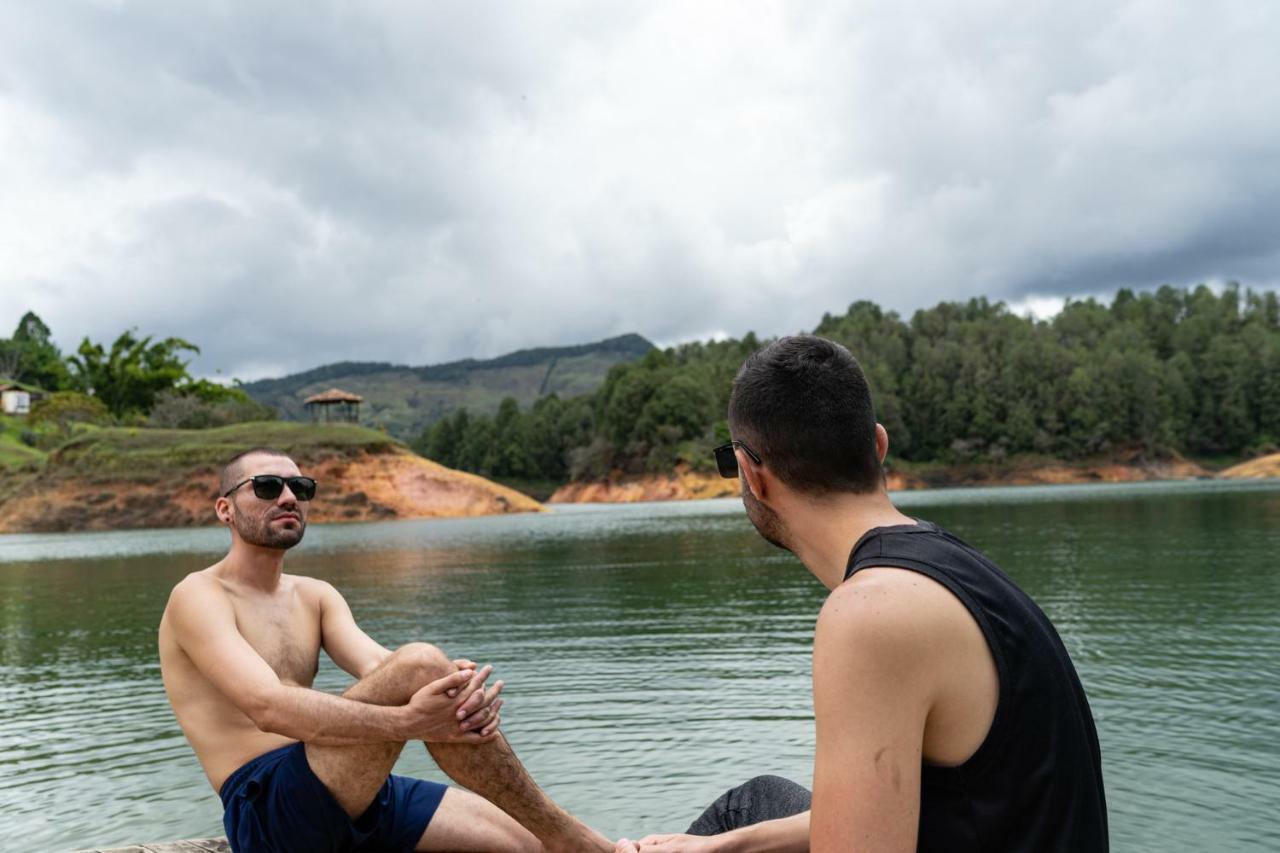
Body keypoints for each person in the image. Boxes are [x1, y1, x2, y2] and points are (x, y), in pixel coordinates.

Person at [616, 336, 1108, 853]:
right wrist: (725, 847)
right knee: (749, 810)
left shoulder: (870, 614)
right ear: (877, 445)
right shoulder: (948, 568)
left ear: (752, 474)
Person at [159, 447, 612, 853]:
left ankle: (563, 838)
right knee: (420, 666)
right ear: (225, 509)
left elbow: (382, 666)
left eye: (300, 487)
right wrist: (411, 721)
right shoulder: (198, 596)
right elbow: (267, 707)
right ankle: (578, 840)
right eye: (267, 486)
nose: (288, 497)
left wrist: (455, 687)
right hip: (267, 809)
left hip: (348, 783)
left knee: (527, 843)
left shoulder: (315, 595)